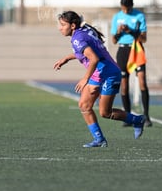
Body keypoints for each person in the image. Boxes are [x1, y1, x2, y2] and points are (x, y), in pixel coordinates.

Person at [54, 11, 145, 148]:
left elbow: (94, 58)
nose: (59, 28)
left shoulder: (78, 38)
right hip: (100, 73)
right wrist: (66, 58)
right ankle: (100, 139)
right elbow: (85, 51)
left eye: (62, 25)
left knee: (105, 112)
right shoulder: (82, 31)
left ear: (72, 26)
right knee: (85, 105)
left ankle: (137, 120)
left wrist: (86, 78)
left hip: (108, 74)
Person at [110, 0, 152, 127]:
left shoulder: (139, 16)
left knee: (142, 82)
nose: (125, 11)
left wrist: (130, 31)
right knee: (124, 84)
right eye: (123, 9)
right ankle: (127, 116)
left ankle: (146, 116)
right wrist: (118, 32)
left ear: (131, 6)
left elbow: (143, 39)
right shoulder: (117, 17)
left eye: (127, 9)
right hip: (123, 51)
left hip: (136, 50)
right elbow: (114, 40)